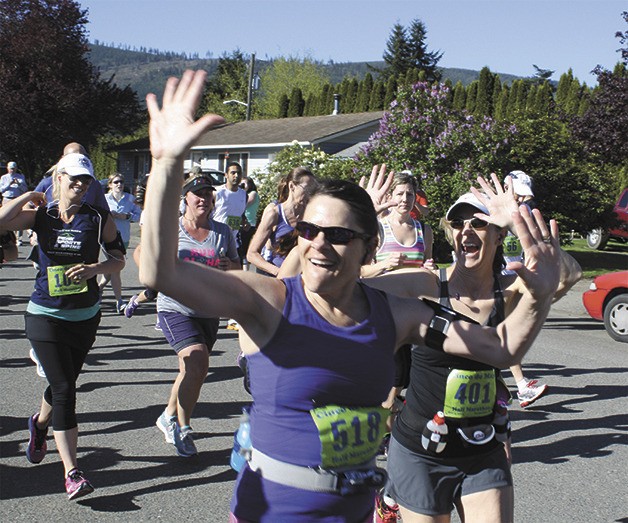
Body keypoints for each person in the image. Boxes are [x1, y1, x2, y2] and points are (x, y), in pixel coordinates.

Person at [139, 70, 562, 522]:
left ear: (368, 247)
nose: (319, 244)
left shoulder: (398, 315)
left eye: (338, 234)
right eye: (308, 230)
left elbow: (500, 349)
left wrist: (538, 295)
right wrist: (166, 164)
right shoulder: (268, 299)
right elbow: (158, 269)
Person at [360, 169, 581, 523]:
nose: (466, 230)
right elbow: (349, 287)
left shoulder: (509, 289)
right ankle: (389, 497)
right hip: (420, 448)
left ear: (496, 235)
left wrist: (518, 221)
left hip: (483, 446)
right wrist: (360, 221)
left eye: (477, 223)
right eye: (458, 223)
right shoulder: (428, 283)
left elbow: (568, 275)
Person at [0, 152, 125, 500]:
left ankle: (39, 426)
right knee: (65, 389)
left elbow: (119, 260)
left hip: (84, 316)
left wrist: (94, 270)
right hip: (44, 313)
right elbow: (1, 222)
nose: (80, 186)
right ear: (60, 178)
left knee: (63, 384)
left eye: (86, 181)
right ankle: (73, 472)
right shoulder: (42, 215)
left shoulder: (98, 218)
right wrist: (27, 196)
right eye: (74, 179)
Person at [153, 173, 240, 457]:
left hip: (208, 309)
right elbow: (149, 258)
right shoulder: (173, 229)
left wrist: (229, 267)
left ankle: (168, 414)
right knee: (198, 362)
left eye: (208, 194)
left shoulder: (222, 232)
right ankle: (182, 426)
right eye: (197, 193)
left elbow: (237, 266)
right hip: (174, 307)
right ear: (185, 199)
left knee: (191, 371)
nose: (204, 198)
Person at [502, 170, 549, 408]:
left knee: (510, 332)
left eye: (525, 197)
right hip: (498, 279)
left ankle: (516, 385)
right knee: (506, 333)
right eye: (518, 195)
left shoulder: (526, 212)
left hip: (520, 279)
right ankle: (520, 385)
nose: (522, 200)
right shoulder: (497, 210)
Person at [246, 166, 317, 276]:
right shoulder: (274, 214)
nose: (310, 195)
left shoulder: (311, 215)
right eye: (307, 189)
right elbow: (252, 254)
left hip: (303, 279)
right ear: (292, 186)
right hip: (277, 278)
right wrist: (279, 272)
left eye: (313, 191)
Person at [98, 173, 142, 313]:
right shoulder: (104, 199)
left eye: (121, 182)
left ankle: (98, 291)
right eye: (116, 182)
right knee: (116, 269)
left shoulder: (130, 199)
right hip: (108, 238)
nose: (119, 184)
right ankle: (120, 301)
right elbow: (97, 215)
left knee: (111, 269)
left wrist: (127, 216)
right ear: (110, 184)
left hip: (124, 238)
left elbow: (140, 215)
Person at [0, 161, 29, 244]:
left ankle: (19, 238)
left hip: (17, 199)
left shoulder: (20, 177)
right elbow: (1, 190)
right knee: (5, 218)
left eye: (14, 168)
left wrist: (19, 184)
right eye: (11, 169)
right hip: (7, 199)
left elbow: (25, 189)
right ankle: (7, 237)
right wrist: (9, 184)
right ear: (7, 168)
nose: (12, 170)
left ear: (16, 168)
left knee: (19, 218)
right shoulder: (4, 178)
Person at [239, 176, 261, 269]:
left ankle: (246, 271)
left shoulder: (253, 193)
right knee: (239, 249)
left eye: (245, 183)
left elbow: (245, 204)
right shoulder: (242, 194)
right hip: (240, 223)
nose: (243, 185)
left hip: (249, 223)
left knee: (245, 249)